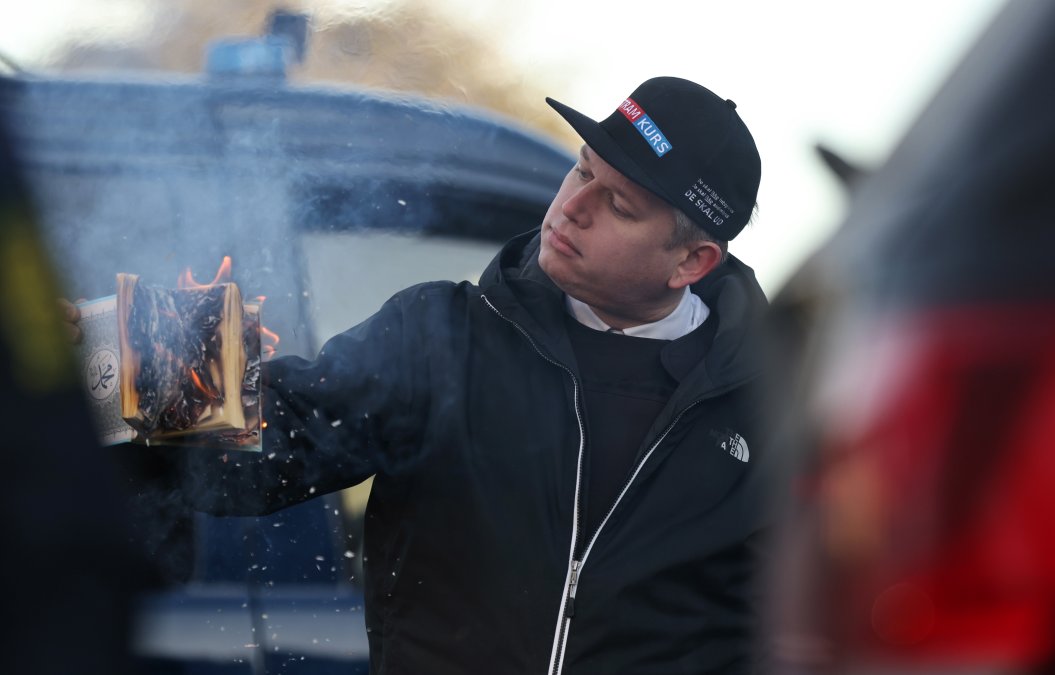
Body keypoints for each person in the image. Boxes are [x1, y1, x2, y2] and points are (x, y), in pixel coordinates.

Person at [74, 76, 769, 674]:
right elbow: (287, 420)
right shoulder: (446, 335)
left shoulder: (772, 414)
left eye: (619, 205)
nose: (573, 207)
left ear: (691, 262)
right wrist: (105, 360)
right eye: (583, 170)